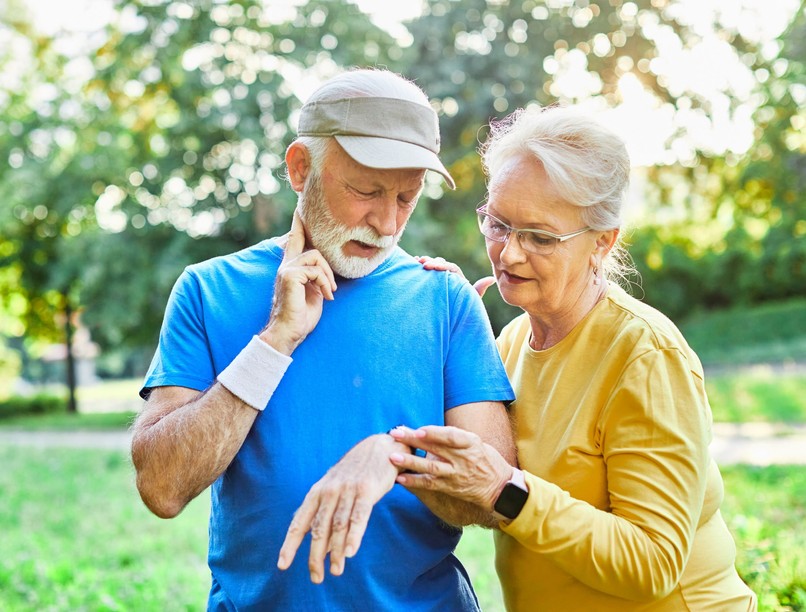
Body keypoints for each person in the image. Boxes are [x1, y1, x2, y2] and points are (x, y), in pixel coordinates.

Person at [130, 68, 515, 611]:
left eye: (407, 197)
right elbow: (162, 488)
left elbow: (493, 498)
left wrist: (394, 456)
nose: (385, 222)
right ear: (299, 168)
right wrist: (274, 341)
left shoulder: (446, 299)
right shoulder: (207, 289)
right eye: (365, 191)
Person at [390, 105, 758, 610]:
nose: (509, 254)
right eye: (498, 224)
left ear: (602, 242)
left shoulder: (644, 355)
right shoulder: (508, 344)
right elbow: (455, 477)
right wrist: (446, 335)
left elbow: (652, 564)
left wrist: (507, 489)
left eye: (540, 237)